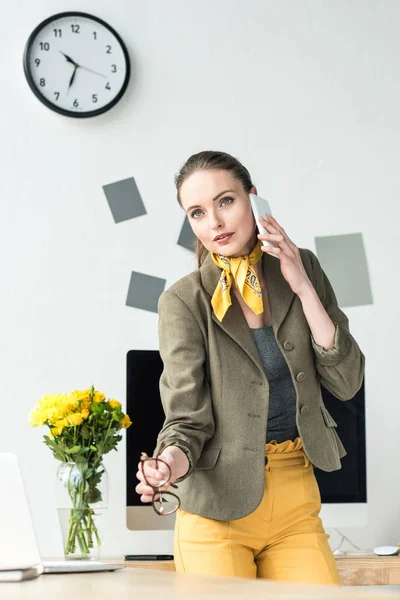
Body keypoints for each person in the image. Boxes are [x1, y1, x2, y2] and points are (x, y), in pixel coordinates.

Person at [135, 150, 365, 584]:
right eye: (198, 213)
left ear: (254, 200)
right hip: (215, 507)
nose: (215, 224)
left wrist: (301, 284)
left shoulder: (304, 267)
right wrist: (166, 464)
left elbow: (347, 380)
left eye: (226, 202)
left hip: (296, 495)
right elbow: (186, 418)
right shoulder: (183, 302)